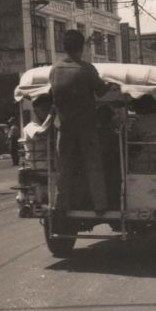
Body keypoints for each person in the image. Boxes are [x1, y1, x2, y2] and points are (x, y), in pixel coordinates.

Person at [49, 29, 110, 213]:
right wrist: (110, 84)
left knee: (64, 168)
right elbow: (101, 91)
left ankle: (61, 204)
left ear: (64, 47)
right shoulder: (86, 69)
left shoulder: (55, 70)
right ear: (81, 47)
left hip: (64, 127)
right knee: (93, 165)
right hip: (86, 127)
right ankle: (100, 205)